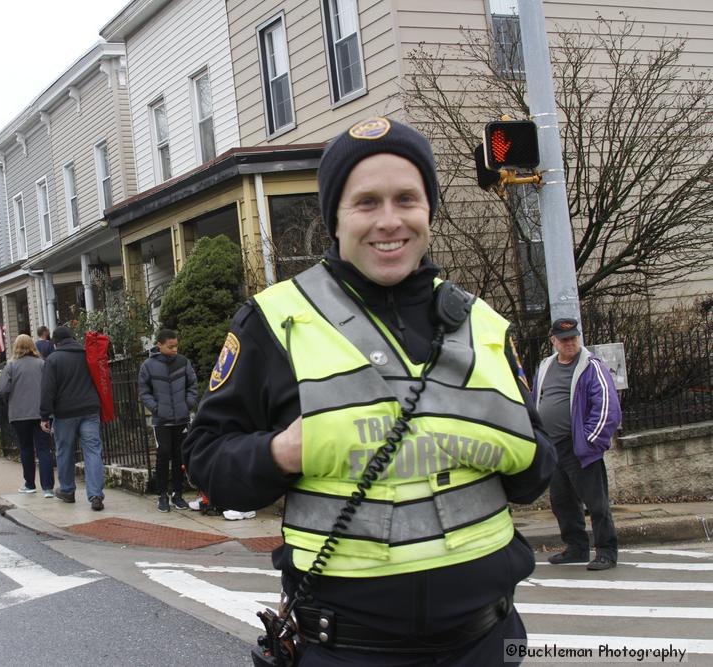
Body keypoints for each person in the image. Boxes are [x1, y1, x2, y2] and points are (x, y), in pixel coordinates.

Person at [183, 117, 557, 666]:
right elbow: (205, 459)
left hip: (488, 642)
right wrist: (280, 452)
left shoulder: (483, 324)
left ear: (428, 211)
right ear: (334, 217)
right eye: (366, 202)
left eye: (407, 199)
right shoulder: (275, 321)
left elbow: (535, 474)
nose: (390, 221)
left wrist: (510, 440)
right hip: (347, 650)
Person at [532, 318, 622, 571]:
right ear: (553, 341)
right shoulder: (546, 366)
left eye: (573, 338)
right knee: (562, 502)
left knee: (597, 504)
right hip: (553, 447)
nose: (570, 343)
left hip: (580, 448)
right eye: (564, 339)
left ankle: (606, 551)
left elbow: (607, 408)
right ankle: (577, 548)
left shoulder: (592, 367)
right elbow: (536, 399)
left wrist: (590, 440)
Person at [39, 325, 105, 511]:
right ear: (72, 338)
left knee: (65, 451)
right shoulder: (87, 355)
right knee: (92, 451)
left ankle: (67, 490)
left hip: (65, 412)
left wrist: (44, 415)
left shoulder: (52, 360)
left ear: (55, 342)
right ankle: (95, 495)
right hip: (90, 409)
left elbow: (47, 390)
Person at [138, 329, 198, 512]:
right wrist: (156, 408)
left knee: (180, 456)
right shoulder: (148, 366)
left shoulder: (183, 362)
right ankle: (162, 495)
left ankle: (177, 495)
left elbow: (192, 385)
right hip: (161, 421)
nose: (175, 349)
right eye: (170, 346)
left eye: (176, 346)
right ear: (160, 345)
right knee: (163, 456)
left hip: (181, 419)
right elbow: (144, 391)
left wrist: (187, 404)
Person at [0, 334, 55, 496]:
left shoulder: (10, 366)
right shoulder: (42, 364)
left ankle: (29, 484)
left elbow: (3, 389)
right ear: (32, 346)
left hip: (19, 413)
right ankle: (48, 488)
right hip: (41, 413)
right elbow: (50, 386)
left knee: (26, 448)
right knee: (44, 449)